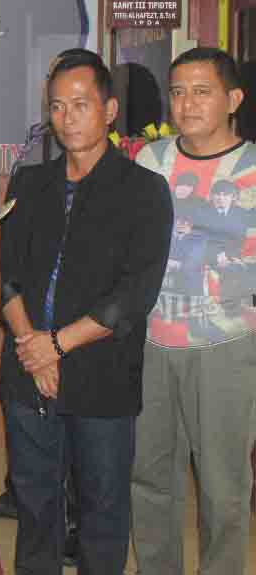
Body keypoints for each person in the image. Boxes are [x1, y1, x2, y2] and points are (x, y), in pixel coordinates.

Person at [0, 49, 172, 574]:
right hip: (28, 371)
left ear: (110, 110)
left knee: (103, 510)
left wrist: (56, 345)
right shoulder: (30, 184)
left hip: (102, 374)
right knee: (35, 505)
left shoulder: (143, 190)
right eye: (57, 106)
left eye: (80, 104)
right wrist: (33, 347)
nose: (67, 117)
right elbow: (6, 275)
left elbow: (135, 292)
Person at [132, 47, 256, 575]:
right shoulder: (150, 160)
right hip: (151, 342)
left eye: (202, 92)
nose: (187, 104)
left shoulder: (252, 168)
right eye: (178, 92)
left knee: (224, 487)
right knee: (149, 477)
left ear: (233, 99)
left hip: (227, 345)